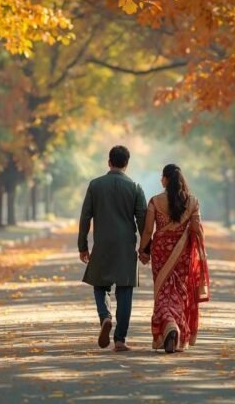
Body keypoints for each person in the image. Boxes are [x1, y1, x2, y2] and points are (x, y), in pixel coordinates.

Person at [78, 145, 147, 352]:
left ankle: (105, 316)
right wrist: (145, 249)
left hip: (103, 243)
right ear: (127, 164)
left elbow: (85, 217)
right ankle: (120, 339)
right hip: (126, 245)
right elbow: (143, 220)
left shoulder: (95, 185)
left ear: (109, 162)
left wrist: (83, 246)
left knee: (100, 285)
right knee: (125, 289)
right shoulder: (135, 187)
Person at [138, 164, 210, 354]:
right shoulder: (193, 202)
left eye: (162, 177)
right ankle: (175, 327)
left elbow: (147, 231)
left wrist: (142, 249)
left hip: (161, 250)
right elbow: (196, 229)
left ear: (166, 179)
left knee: (163, 290)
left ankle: (169, 326)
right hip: (182, 252)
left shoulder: (155, 201)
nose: (160, 180)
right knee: (179, 292)